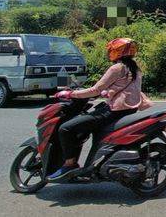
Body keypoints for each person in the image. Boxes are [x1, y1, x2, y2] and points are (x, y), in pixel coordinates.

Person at [47, 38, 153, 181]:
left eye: (111, 50)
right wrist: (107, 93)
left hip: (113, 112)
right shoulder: (135, 68)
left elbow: (96, 89)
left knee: (66, 129)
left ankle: (69, 164)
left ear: (117, 52)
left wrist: (70, 93)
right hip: (128, 111)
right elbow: (124, 88)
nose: (109, 52)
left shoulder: (117, 68)